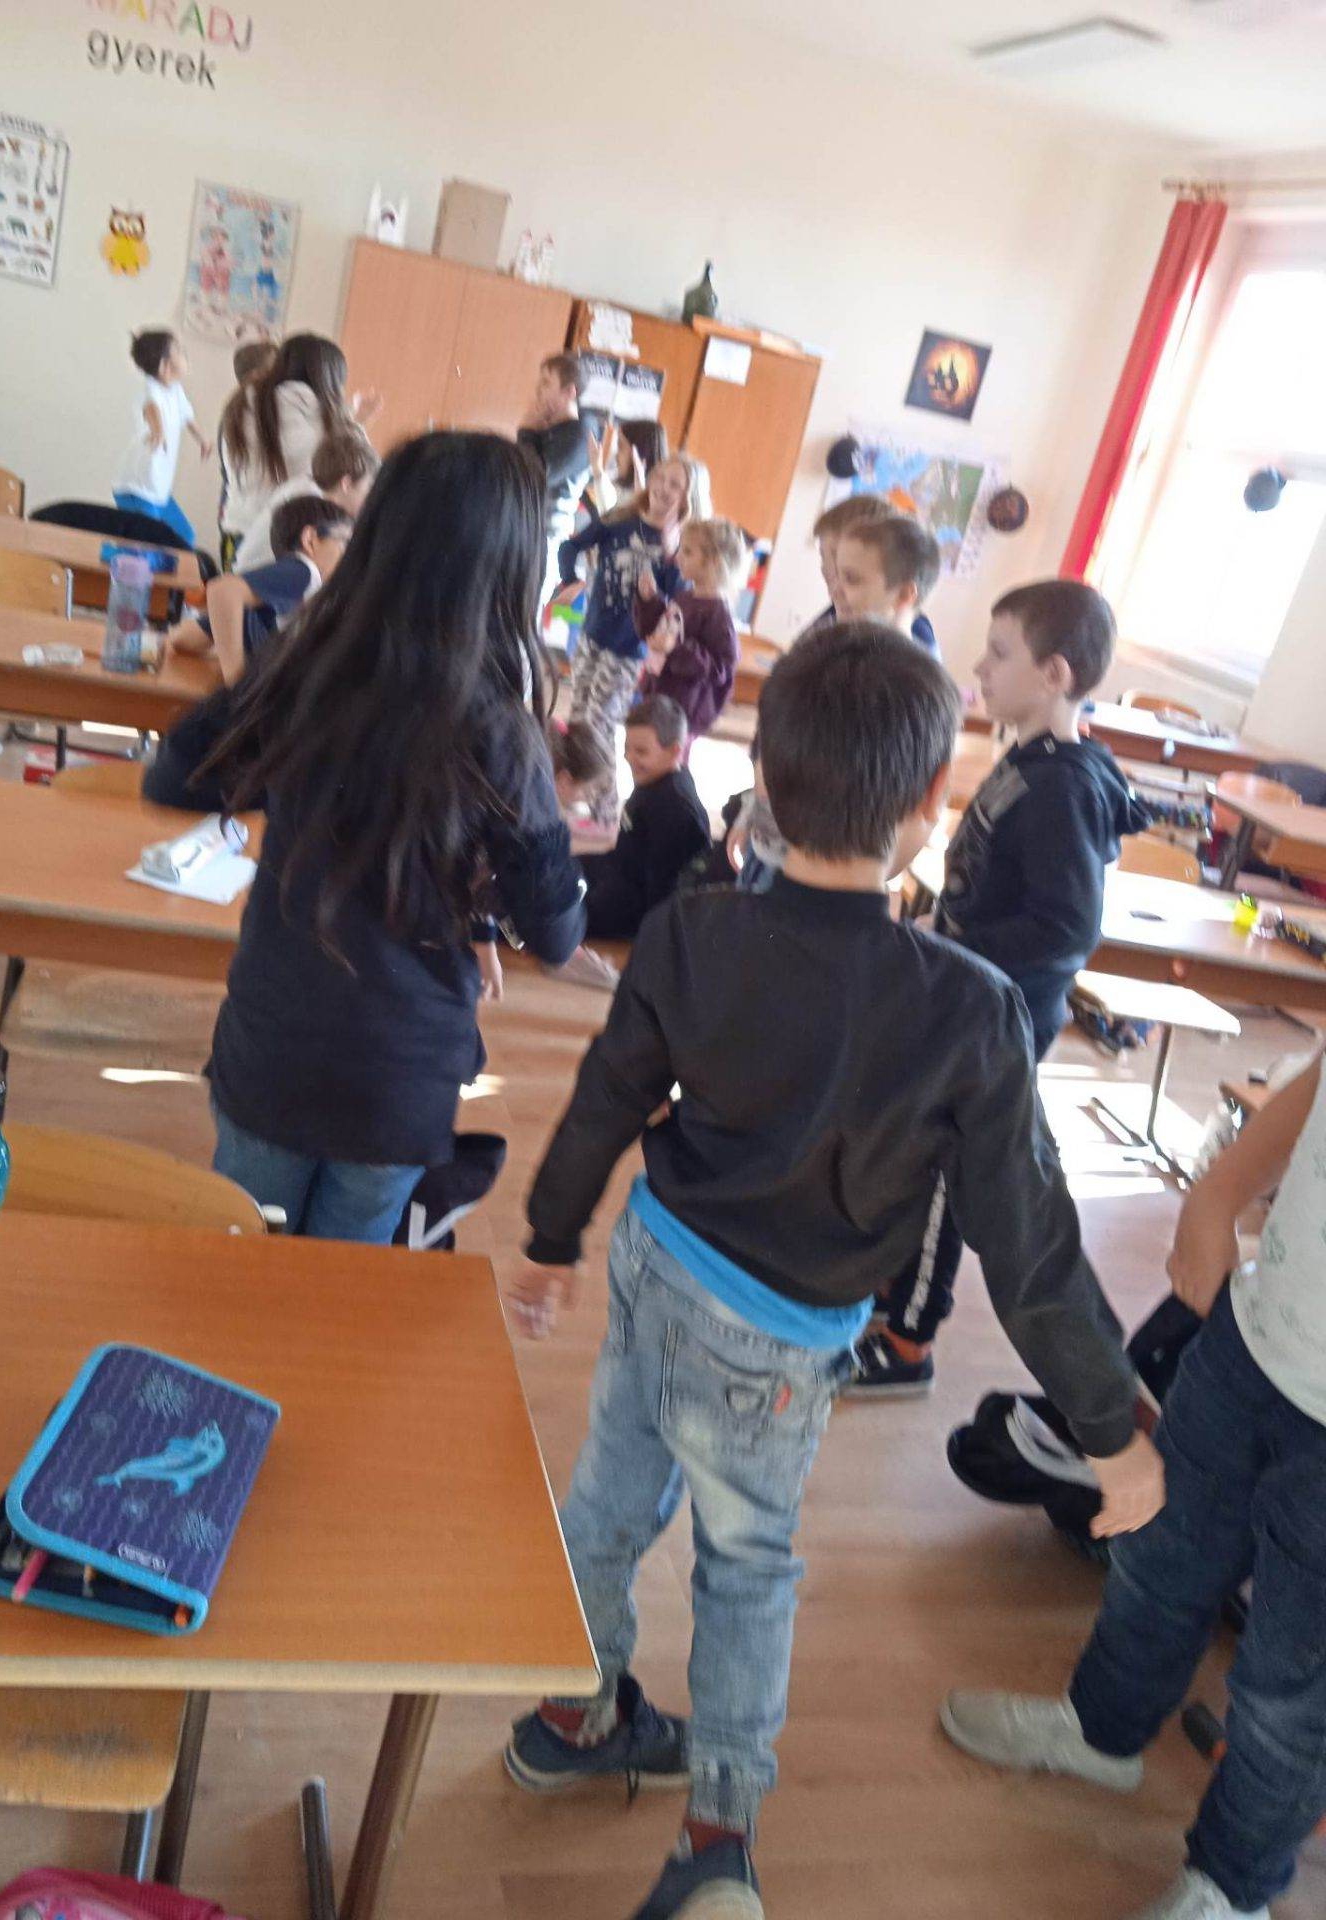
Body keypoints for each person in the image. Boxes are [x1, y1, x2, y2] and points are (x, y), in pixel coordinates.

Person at [501, 623, 1162, 1920]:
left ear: (764, 784)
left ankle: (572, 1714)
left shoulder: (690, 930)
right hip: (779, 1340)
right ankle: (716, 1837)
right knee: (747, 1566)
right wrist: (1111, 1432)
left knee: (607, 1497)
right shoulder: (970, 1007)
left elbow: (604, 1098)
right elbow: (1029, 1249)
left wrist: (550, 1242)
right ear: (929, 808)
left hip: (654, 1266)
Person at [942, 1048, 1326, 1920]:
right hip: (1254, 1341)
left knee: (1290, 1691)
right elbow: (1313, 1086)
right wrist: (1217, 1194)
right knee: (1159, 1563)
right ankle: (1101, 1730)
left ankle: (1230, 1889)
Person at [202, 431, 585, 1241]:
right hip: (398, 1076)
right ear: (511, 568)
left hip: (275, 1040)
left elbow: (182, 769)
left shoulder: (302, 666)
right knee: (340, 1287)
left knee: (241, 1270)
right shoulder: (500, 730)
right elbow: (556, 932)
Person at [845, 578, 1150, 1399]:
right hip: (960, 998)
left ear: (1055, 673)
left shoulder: (1064, 788)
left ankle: (908, 1341)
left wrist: (954, 950)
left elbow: (1066, 927)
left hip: (992, 1019)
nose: (979, 666)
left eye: (999, 653)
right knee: (911, 1152)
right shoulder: (1030, 758)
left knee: (943, 1174)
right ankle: (885, 1296)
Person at [726, 510, 942, 890]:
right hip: (772, 840)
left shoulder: (910, 688)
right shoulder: (829, 641)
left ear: (904, 594)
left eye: (852, 580)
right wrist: (752, 810)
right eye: (836, 575)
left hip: (825, 870)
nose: (836, 590)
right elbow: (777, 738)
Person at [556, 452, 711, 831]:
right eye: (661, 477)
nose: (663, 488)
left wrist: (672, 556)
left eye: (676, 485)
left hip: (627, 654)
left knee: (598, 728)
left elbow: (679, 605)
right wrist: (569, 579)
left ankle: (609, 818)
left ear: (688, 499)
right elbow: (569, 547)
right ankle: (581, 801)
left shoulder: (681, 549)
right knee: (578, 724)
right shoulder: (621, 520)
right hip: (592, 638)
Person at [552, 696, 710, 993]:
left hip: (629, 905)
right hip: (618, 871)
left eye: (641, 751)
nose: (629, 758)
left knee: (555, 911)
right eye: (627, 748)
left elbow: (663, 896)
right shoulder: (653, 779)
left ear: (674, 751)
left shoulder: (676, 811)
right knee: (556, 864)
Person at [219, 332, 376, 567]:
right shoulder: (311, 411)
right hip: (274, 542)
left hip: (234, 532)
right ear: (330, 378)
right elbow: (333, 466)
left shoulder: (244, 401)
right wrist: (357, 424)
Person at [169, 493, 354, 686]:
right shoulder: (306, 571)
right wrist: (238, 682)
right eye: (344, 543)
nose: (348, 554)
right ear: (310, 540)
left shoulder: (267, 599)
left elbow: (183, 639)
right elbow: (220, 591)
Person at [636, 517, 747, 748]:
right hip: (658, 694)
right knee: (648, 747)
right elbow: (659, 630)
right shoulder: (686, 597)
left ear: (714, 562)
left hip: (682, 711)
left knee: (668, 756)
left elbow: (720, 670)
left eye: (687, 552)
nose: (678, 557)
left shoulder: (718, 615)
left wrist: (675, 649)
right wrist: (650, 602)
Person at [801, 495, 941, 657]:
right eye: (823, 556)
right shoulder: (840, 612)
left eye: (834, 555)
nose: (825, 569)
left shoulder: (912, 635)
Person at [112, 329, 212, 549]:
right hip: (137, 488)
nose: (185, 355)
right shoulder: (151, 389)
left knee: (184, 536)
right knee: (143, 544)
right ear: (164, 367)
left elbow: (186, 415)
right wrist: (158, 431)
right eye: (179, 351)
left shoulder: (175, 390)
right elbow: (151, 407)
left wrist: (202, 438)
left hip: (158, 490)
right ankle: (119, 563)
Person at [232, 428, 379, 573]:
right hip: (255, 578)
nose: (372, 497)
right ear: (346, 484)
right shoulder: (308, 505)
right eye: (369, 486)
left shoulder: (313, 492)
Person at [517, 353, 591, 568]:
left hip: (545, 541)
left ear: (569, 392)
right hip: (528, 533)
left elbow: (531, 477)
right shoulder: (548, 427)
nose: (538, 389)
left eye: (546, 383)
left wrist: (527, 431)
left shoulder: (578, 435)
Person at [216, 340, 277, 569]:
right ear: (259, 374)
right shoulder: (249, 412)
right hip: (244, 522)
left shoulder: (240, 409)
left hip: (239, 517)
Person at [584, 419, 669, 522]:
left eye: (620, 446)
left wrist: (597, 469)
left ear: (638, 455)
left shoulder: (650, 505)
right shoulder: (617, 481)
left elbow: (610, 518)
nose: (616, 454)